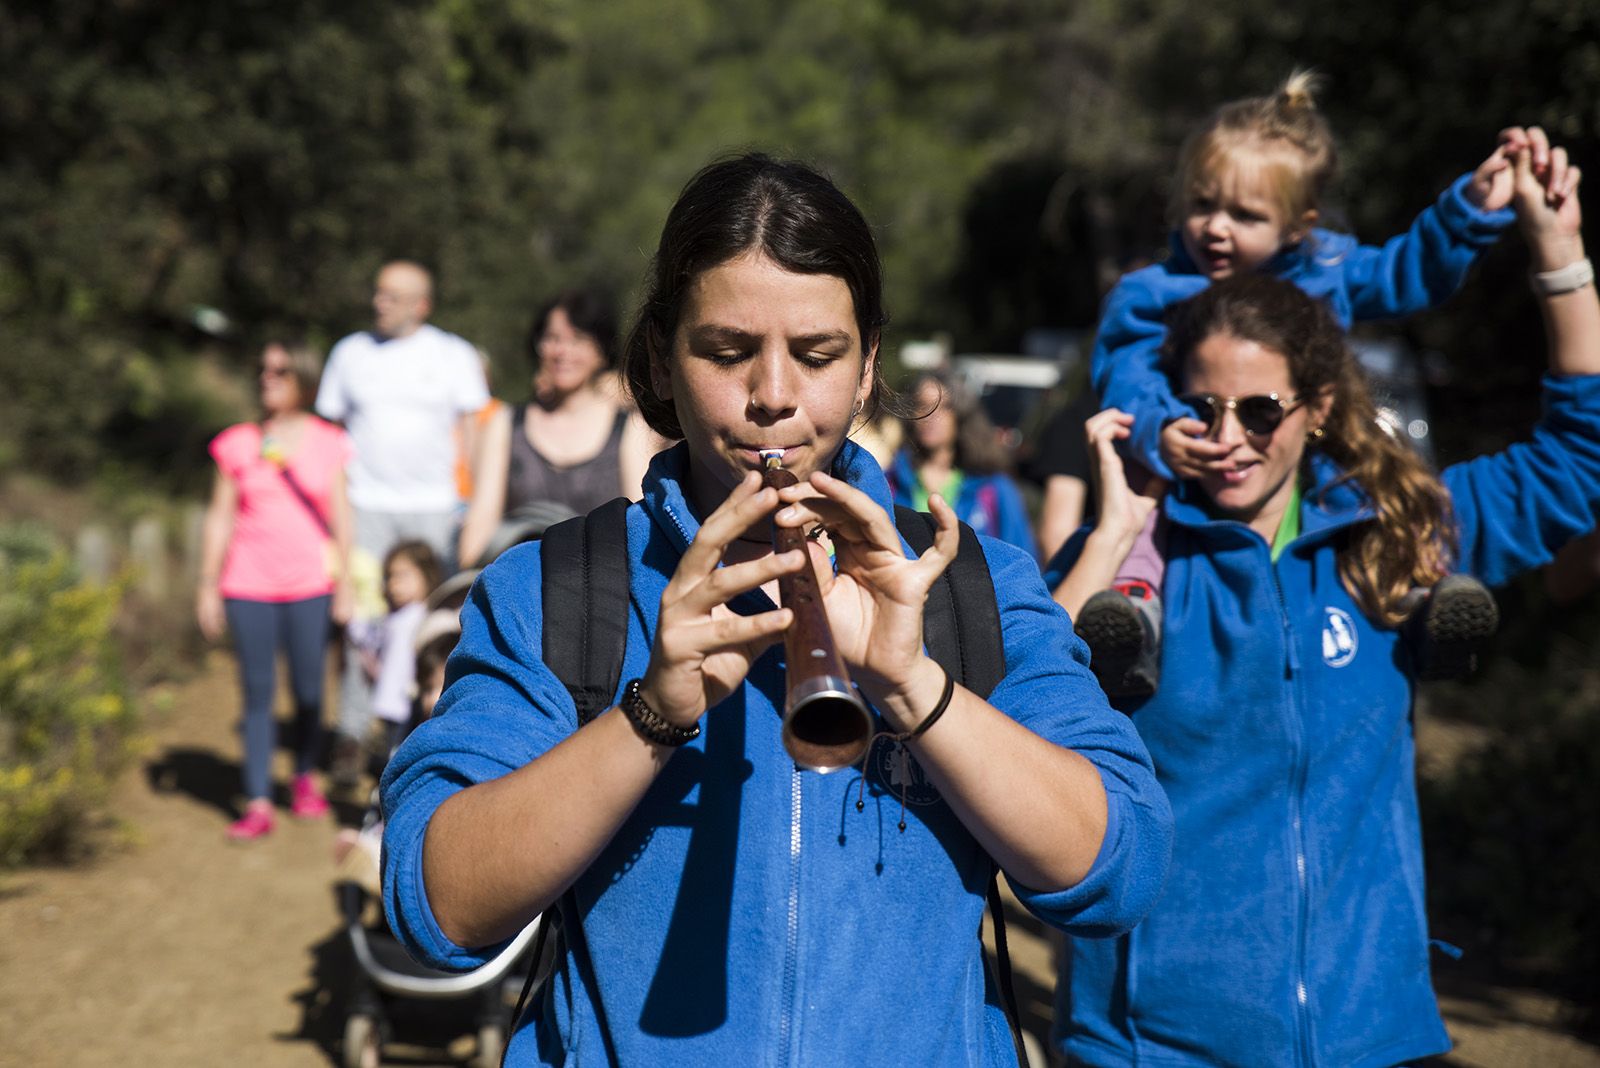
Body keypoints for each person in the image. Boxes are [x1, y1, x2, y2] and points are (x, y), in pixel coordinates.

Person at [381, 153, 1172, 1066]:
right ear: (658, 360)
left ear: (870, 362)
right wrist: (652, 713)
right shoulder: (557, 586)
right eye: (725, 352)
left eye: (818, 354)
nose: (775, 397)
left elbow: (1121, 871)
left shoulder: (969, 583)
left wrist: (916, 690)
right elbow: (433, 909)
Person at [1046, 132, 1597, 1067]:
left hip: (1369, 1035)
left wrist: (1558, 253)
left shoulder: (1397, 537)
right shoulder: (1127, 566)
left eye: (1260, 411)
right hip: (1151, 1046)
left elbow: (1580, 456)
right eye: (1200, 407)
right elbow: (1020, 713)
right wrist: (1106, 532)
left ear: (1318, 408)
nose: (1228, 438)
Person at [1079, 72, 1518, 697]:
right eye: (1203, 205)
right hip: (1194, 459)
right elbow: (1125, 369)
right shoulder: (1154, 293)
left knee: (1392, 483)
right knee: (1146, 512)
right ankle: (1133, 615)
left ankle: (1422, 592)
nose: (1216, 228)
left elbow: (1405, 273)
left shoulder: (1325, 270)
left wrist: (1468, 209)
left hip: (1315, 448)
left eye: (1245, 214)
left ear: (1297, 225)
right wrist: (1159, 428)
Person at [315, 260, 489, 786]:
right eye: (378, 292)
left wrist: (473, 503)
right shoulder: (349, 353)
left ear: (422, 304)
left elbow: (474, 433)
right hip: (366, 506)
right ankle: (351, 734)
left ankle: (416, 735)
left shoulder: (453, 355)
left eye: (392, 295)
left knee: (426, 624)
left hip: (435, 510)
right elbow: (331, 439)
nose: (379, 302)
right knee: (362, 620)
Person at [196, 342, 353, 840]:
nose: (268, 378)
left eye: (280, 370)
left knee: (310, 690)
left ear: (303, 379)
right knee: (257, 693)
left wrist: (346, 582)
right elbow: (220, 517)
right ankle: (259, 799)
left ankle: (304, 776)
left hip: (311, 585)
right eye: (262, 370)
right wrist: (207, 585)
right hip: (246, 585)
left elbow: (342, 518)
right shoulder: (236, 442)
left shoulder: (330, 441)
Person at [455, 288, 657, 569]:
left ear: (601, 351)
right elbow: (483, 516)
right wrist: (467, 580)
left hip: (602, 583)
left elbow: (639, 521)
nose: (562, 352)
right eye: (552, 339)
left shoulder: (629, 427)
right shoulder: (506, 422)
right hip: (521, 581)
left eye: (578, 340)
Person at [884, 370, 1039, 557]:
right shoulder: (889, 483)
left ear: (961, 414)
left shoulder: (992, 488)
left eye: (944, 407)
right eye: (922, 406)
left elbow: (1021, 559)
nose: (931, 416)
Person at [347, 540, 442, 756]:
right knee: (393, 749)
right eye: (390, 576)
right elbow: (370, 641)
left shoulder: (426, 616)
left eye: (403, 576)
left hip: (412, 700)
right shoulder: (390, 618)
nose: (394, 584)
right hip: (390, 699)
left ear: (426, 575)